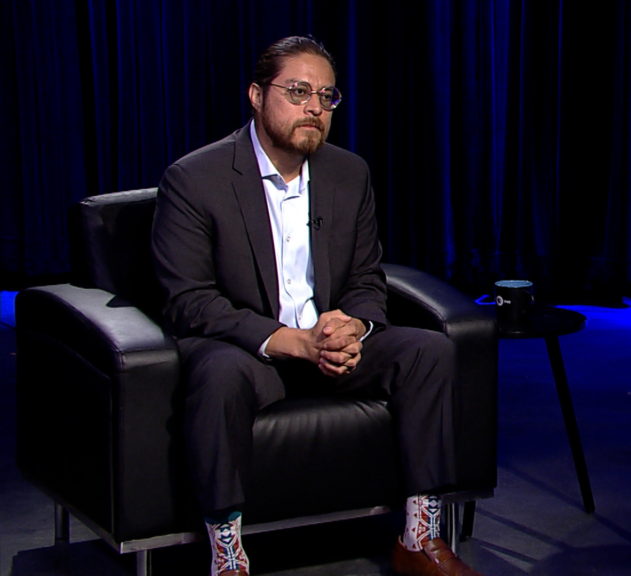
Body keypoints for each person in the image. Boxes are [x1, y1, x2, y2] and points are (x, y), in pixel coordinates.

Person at [152, 36, 483, 576]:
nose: (314, 108)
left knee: (429, 352)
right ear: (257, 96)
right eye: (299, 91)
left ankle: (418, 538)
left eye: (326, 97)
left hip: (327, 347)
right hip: (249, 352)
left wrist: (351, 325)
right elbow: (188, 301)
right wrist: (291, 341)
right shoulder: (195, 179)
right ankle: (228, 557)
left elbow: (365, 277)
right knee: (214, 376)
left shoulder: (349, 174)